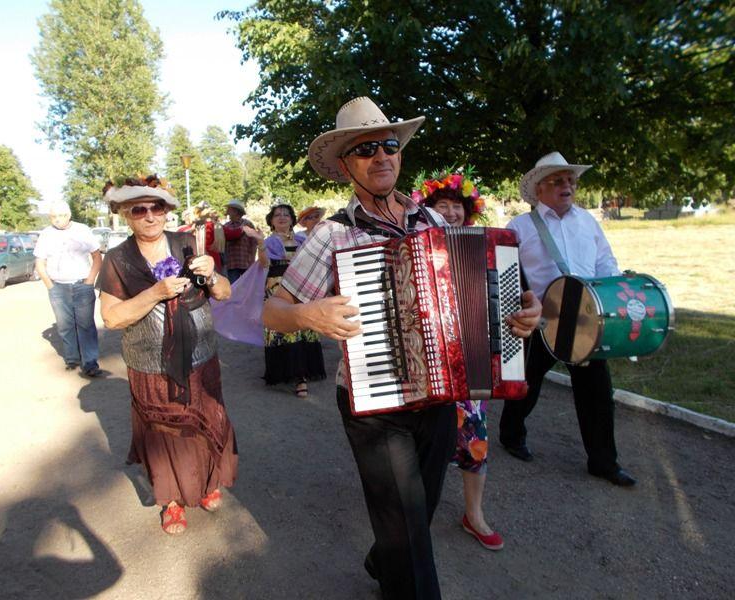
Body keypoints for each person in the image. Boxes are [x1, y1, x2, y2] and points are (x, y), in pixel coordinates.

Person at [263, 97, 542, 599]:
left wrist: (520, 317)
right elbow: (271, 312)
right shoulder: (332, 235)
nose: (381, 156)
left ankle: (381, 558)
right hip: (374, 405)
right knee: (410, 535)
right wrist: (308, 313)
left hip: (439, 396)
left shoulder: (434, 226)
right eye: (365, 149)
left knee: (419, 509)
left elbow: (484, 306)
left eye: (389, 145)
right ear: (346, 167)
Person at [98, 176, 238, 534]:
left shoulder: (187, 244)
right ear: (125, 216)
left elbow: (223, 293)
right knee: (163, 432)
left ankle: (206, 484)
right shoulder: (117, 259)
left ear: (166, 211)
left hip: (200, 355)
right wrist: (155, 293)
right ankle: (172, 500)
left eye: (155, 207)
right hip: (149, 362)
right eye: (138, 209)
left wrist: (212, 275)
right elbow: (112, 318)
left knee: (207, 420)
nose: (149, 216)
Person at [498, 152, 636, 487]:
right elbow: (505, 271)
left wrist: (613, 292)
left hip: (587, 320)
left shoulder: (587, 221)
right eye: (558, 181)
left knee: (597, 393)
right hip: (542, 320)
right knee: (526, 385)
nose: (567, 186)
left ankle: (604, 462)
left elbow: (605, 261)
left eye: (570, 180)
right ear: (539, 189)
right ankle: (511, 435)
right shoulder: (520, 226)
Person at [413, 169, 502, 551]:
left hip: (470, 358)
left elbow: (503, 292)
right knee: (420, 440)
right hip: (425, 356)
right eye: (442, 206)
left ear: (469, 212)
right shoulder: (413, 245)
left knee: (474, 439)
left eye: (456, 206)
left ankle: (474, 513)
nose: (450, 213)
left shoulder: (488, 246)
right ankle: (413, 515)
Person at [247, 201, 326, 397]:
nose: (282, 217)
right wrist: (259, 242)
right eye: (277, 215)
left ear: (292, 220)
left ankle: (303, 372)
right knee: (286, 329)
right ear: (271, 222)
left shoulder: (301, 240)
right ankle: (299, 378)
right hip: (277, 287)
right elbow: (265, 264)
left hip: (300, 286)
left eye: (286, 214)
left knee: (303, 325)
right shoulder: (270, 242)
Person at [34, 200, 103, 377]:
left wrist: (90, 280)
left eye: (61, 215)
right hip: (58, 287)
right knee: (65, 325)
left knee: (86, 325)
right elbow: (39, 262)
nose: (57, 219)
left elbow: (96, 256)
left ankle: (90, 362)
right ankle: (72, 358)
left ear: (69, 215)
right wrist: (49, 285)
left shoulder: (82, 230)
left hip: (82, 285)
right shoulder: (46, 234)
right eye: (53, 216)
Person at [222, 198, 258, 283]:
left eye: (229, 209)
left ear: (236, 211)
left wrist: (252, 259)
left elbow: (253, 243)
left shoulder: (248, 224)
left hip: (246, 262)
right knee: (234, 289)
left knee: (247, 288)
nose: (227, 211)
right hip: (231, 264)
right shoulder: (226, 226)